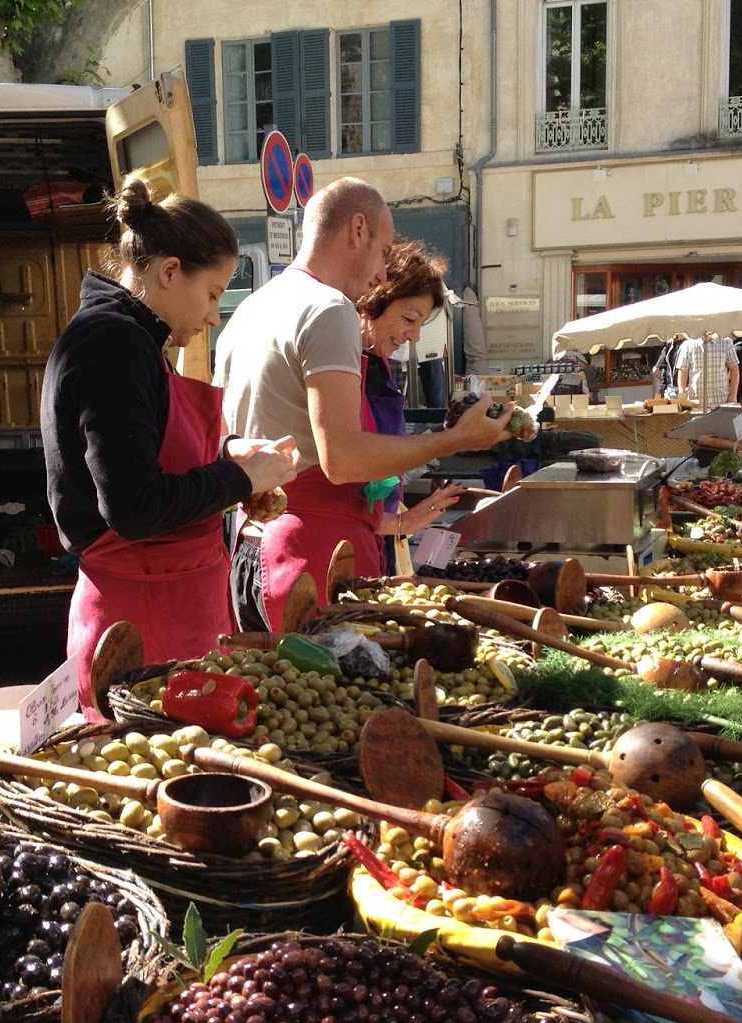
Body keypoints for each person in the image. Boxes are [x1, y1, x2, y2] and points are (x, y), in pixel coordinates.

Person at [42, 174, 299, 714]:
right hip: (140, 625)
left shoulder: (131, 341)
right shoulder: (112, 344)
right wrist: (240, 480)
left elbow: (148, 448)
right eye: (211, 294)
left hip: (166, 610)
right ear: (168, 271)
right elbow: (134, 508)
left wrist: (229, 453)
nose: (211, 316)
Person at [217, 177, 512, 632]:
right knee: (336, 700)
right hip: (312, 556)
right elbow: (343, 459)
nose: (380, 272)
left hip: (248, 548)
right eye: (382, 248)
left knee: (271, 694)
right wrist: (454, 439)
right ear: (358, 229)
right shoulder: (328, 306)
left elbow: (222, 438)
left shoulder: (249, 309)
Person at [356, 239, 466, 573]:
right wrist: (400, 522)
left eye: (421, 325)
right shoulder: (339, 367)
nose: (414, 336)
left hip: (378, 537)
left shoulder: (379, 362)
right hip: (348, 545)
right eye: (408, 319)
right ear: (372, 301)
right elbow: (341, 473)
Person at [675, 333, 739, 412]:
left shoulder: (726, 342)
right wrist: (682, 396)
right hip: (696, 402)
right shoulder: (688, 345)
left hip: (721, 400)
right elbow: (683, 371)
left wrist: (733, 394)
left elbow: (734, 369)